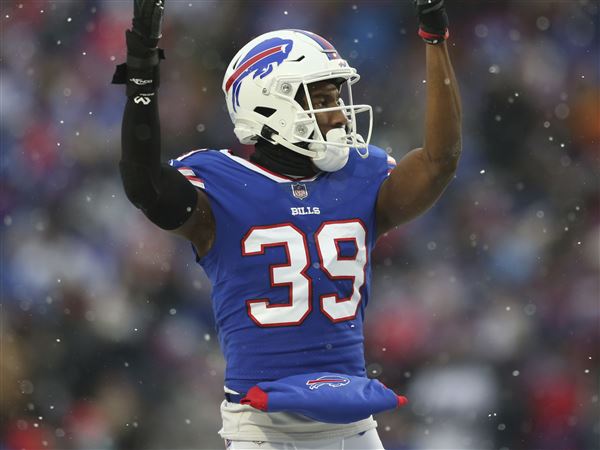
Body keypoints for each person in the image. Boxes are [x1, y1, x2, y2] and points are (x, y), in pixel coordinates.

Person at [113, 0, 461, 448]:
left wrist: (435, 38)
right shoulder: (221, 185)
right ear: (268, 104)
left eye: (337, 98)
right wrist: (141, 65)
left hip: (354, 424)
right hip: (263, 428)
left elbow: (440, 161)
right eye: (321, 99)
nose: (338, 114)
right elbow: (144, 184)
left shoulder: (359, 177)